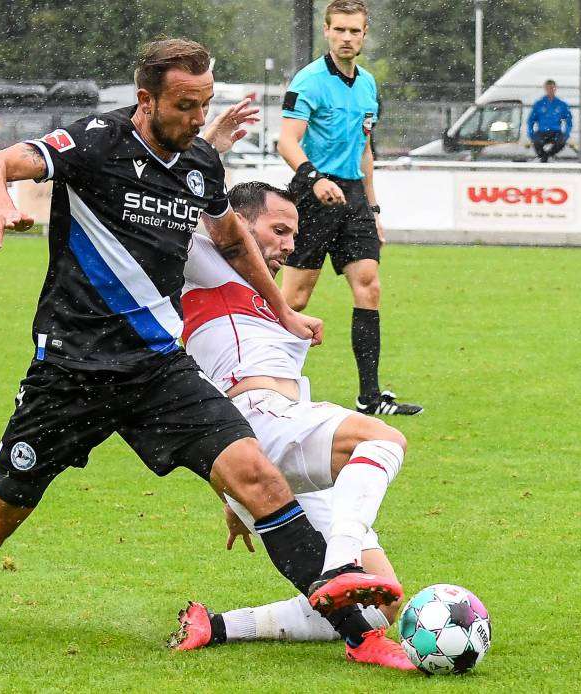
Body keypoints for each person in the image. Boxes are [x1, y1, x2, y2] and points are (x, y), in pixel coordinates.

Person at [0, 38, 402, 638]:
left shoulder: (200, 164)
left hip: (158, 370)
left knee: (258, 477)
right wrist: (0, 205)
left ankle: (361, 637)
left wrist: (282, 310)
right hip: (71, 371)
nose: (198, 119)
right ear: (146, 99)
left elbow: (230, 239)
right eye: (184, 105)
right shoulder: (97, 141)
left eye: (204, 104)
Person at [167, 181, 413, 671]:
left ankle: (214, 625)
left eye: (293, 235)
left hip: (277, 439)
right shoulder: (202, 262)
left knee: (378, 610)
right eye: (278, 230)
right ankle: (341, 563)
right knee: (383, 438)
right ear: (235, 222)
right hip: (263, 422)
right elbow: (184, 188)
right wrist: (211, 140)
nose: (289, 245)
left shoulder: (262, 293)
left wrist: (233, 493)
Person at [276, 0, 422, 417]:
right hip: (312, 194)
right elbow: (286, 141)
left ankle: (370, 398)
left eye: (354, 31)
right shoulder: (308, 81)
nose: (346, 37)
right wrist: (315, 178)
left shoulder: (368, 85)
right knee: (296, 299)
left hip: (354, 196)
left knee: (369, 284)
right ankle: (262, 382)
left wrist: (373, 209)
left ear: (364, 34)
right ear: (326, 31)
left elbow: (365, 151)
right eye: (339, 30)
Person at [527, 79, 572, 163]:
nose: (550, 90)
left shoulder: (561, 104)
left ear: (555, 88)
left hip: (556, 132)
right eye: (548, 88)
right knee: (536, 141)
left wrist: (567, 133)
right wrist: (530, 133)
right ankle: (544, 158)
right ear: (545, 89)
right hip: (542, 131)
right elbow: (531, 120)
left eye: (552, 88)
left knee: (561, 141)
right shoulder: (539, 104)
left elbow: (568, 120)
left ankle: (547, 156)